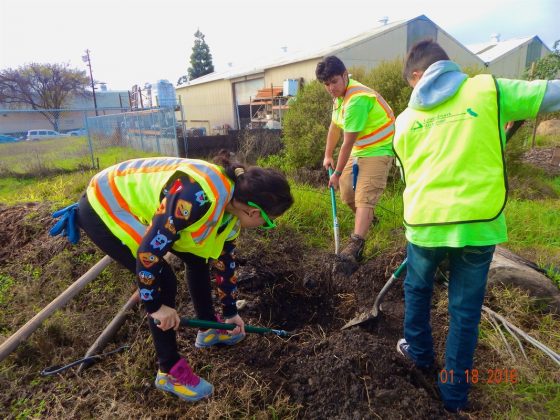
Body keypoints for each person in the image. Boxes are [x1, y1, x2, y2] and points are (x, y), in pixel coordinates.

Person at [393, 39, 560, 412]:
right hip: (477, 224)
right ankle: (453, 394)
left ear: (417, 76)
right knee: (464, 312)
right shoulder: (490, 89)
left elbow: (408, 174)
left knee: (417, 291)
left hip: (425, 224)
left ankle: (419, 356)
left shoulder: (404, 120)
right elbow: (553, 95)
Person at [50, 151, 293, 402]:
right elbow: (148, 253)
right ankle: (169, 371)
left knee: (198, 256)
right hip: (107, 202)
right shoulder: (198, 198)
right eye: (268, 223)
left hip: (146, 204)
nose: (265, 228)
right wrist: (155, 306)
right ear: (254, 212)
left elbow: (223, 260)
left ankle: (209, 329)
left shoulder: (230, 213)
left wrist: (230, 311)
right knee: (164, 278)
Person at [316, 56, 395, 262]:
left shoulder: (357, 100)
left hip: (378, 149)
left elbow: (347, 143)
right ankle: (370, 219)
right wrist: (327, 155)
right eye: (326, 84)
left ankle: (355, 245)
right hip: (360, 148)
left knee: (364, 198)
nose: (331, 88)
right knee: (347, 195)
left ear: (344, 75)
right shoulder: (339, 98)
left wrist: (337, 173)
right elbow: (334, 127)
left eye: (334, 82)